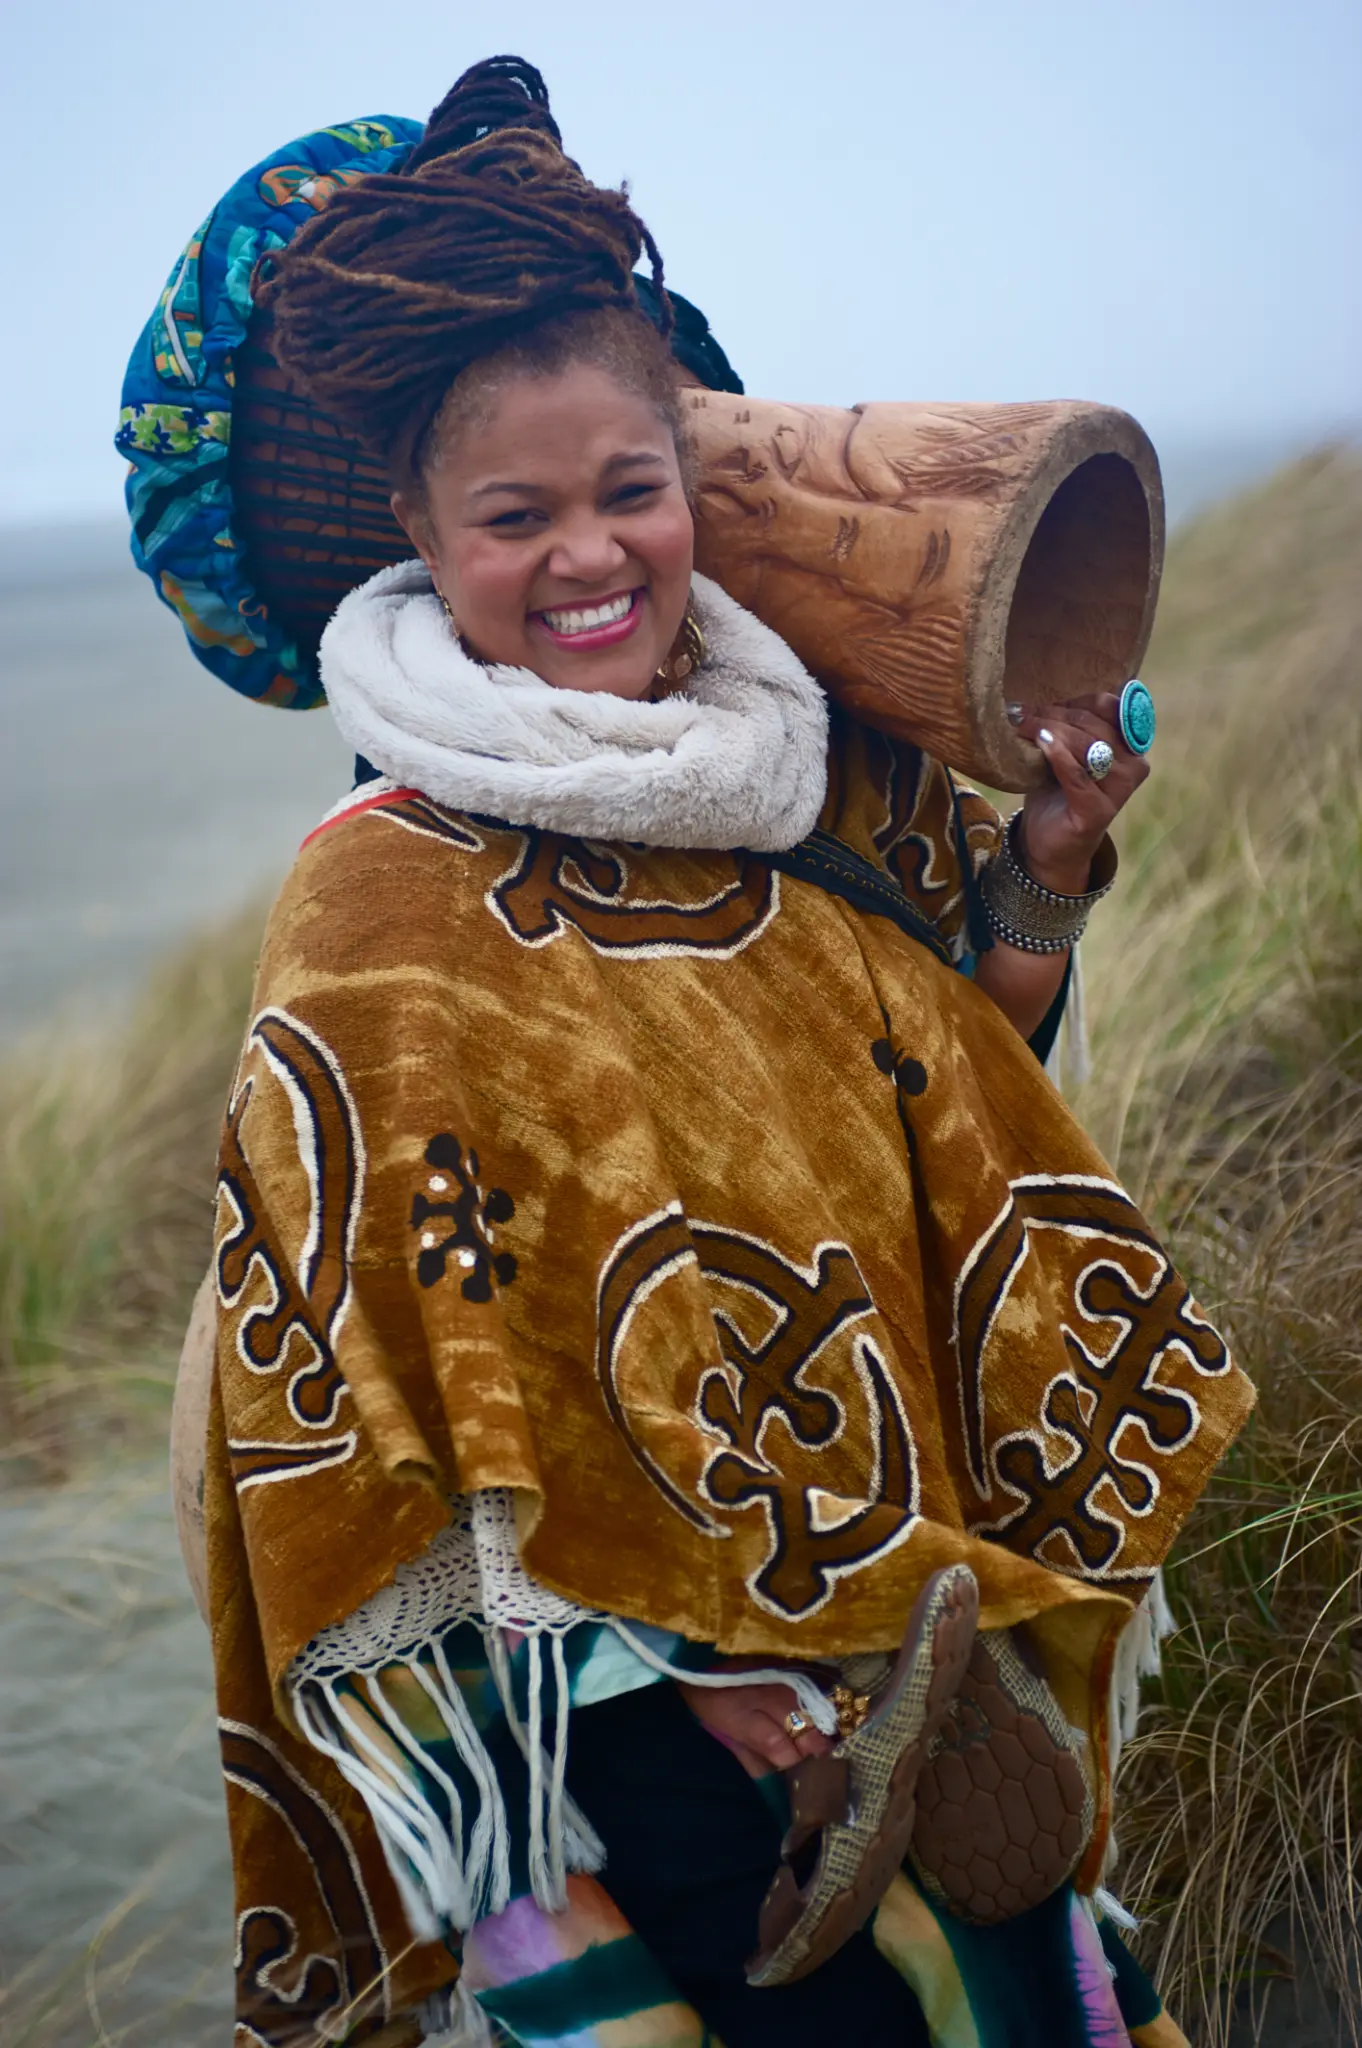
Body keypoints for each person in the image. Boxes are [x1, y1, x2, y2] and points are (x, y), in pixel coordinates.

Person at [150, 55, 1253, 2048]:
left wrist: (1039, 874)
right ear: (419, 530)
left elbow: (948, 1099)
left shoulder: (812, 772)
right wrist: (667, 1657)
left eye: (628, 492)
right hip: (625, 1704)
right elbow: (387, 1368)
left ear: (693, 482)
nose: (588, 555)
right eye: (515, 516)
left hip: (909, 1581)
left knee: (1029, 1987)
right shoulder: (384, 896)